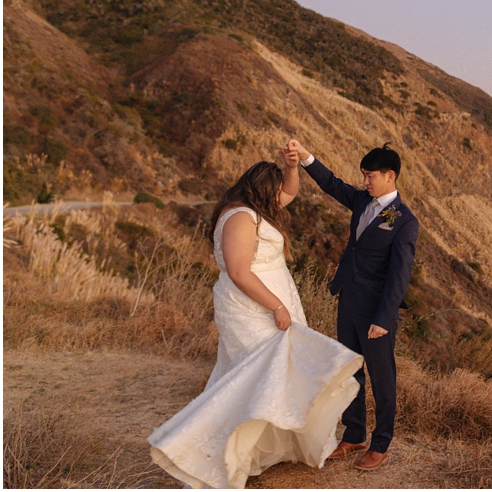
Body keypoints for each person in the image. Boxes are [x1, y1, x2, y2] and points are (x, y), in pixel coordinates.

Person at [148, 152, 364, 489]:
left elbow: (290, 192)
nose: (282, 198)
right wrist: (277, 306)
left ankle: (257, 449)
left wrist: (292, 167)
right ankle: (219, 451)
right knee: (256, 374)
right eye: (276, 189)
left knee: (275, 374)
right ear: (263, 191)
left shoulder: (254, 210)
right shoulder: (240, 218)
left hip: (270, 302)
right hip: (252, 307)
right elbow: (238, 272)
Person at [286, 139, 418, 471]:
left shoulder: (403, 220)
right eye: (363, 176)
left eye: (370, 176)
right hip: (348, 300)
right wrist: (305, 157)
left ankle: (381, 443)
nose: (365, 182)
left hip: (377, 312)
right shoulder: (361, 200)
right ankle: (354, 434)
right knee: (349, 372)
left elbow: (399, 276)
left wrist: (384, 318)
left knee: (383, 378)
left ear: (390, 176)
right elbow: (331, 183)